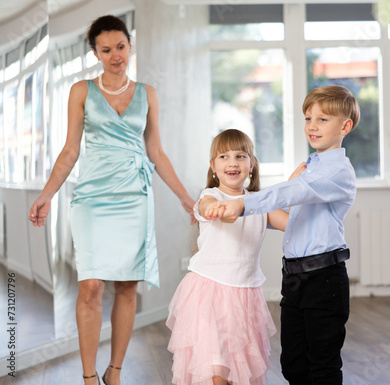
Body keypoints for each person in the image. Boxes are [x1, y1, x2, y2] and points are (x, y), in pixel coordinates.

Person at [28, 15, 196, 385]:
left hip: (134, 198)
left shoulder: (147, 93)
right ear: (95, 53)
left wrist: (186, 198)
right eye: (106, 50)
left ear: (129, 45)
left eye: (121, 46)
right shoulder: (81, 91)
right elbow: (70, 151)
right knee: (91, 285)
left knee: (127, 286)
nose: (115, 55)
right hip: (92, 198)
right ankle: (88, 376)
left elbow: (156, 151)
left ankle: (114, 371)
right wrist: (46, 195)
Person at [204, 86, 360, 385]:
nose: (312, 126)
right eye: (307, 118)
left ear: (345, 126)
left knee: (322, 366)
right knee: (293, 364)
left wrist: (242, 203)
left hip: (323, 277)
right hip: (295, 277)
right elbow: (291, 216)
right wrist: (238, 211)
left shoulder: (335, 171)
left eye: (323, 119)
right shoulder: (311, 167)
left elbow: (292, 192)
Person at [166, 129, 290, 385]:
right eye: (223, 156)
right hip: (208, 294)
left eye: (240, 156)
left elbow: (290, 223)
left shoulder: (259, 202)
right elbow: (207, 206)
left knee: (239, 368)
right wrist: (214, 209)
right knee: (216, 370)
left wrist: (295, 189)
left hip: (245, 296)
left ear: (251, 165)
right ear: (213, 166)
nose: (232, 162)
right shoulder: (210, 196)